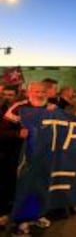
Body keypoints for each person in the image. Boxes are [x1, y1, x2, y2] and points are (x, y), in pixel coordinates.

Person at [0, 82, 54, 235]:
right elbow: (2, 132)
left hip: (43, 158)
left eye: (43, 91)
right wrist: (18, 134)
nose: (40, 94)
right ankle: (20, 224)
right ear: (29, 92)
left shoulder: (52, 109)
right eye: (36, 91)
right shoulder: (18, 108)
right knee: (22, 188)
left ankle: (35, 215)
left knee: (38, 187)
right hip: (20, 159)